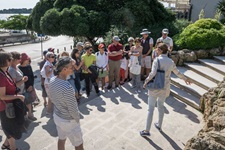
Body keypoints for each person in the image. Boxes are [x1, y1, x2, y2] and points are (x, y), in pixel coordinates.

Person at [140, 43, 191, 136]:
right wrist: (185, 79)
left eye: (157, 49)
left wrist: (146, 81)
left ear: (160, 50)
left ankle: (147, 130)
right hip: (165, 87)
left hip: (155, 87)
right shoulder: (171, 62)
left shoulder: (157, 60)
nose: (155, 50)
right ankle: (159, 125)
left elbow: (152, 74)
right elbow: (177, 73)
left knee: (150, 109)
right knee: (161, 106)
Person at [49, 57, 84, 150]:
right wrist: (77, 119)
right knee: (79, 145)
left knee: (61, 139)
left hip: (57, 117)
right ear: (64, 69)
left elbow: (51, 98)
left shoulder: (52, 80)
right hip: (69, 121)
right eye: (71, 67)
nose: (73, 68)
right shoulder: (67, 87)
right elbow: (73, 108)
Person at [0, 52, 26, 150]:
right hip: (5, 107)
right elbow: (2, 96)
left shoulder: (5, 72)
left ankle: (6, 145)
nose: (12, 61)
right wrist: (18, 96)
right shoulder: (1, 76)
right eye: (9, 59)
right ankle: (13, 148)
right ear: (4, 61)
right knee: (10, 129)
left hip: (10, 105)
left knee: (12, 127)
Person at [18, 53, 37, 121]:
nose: (28, 60)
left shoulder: (29, 66)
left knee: (30, 101)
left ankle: (30, 114)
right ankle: (28, 115)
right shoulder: (19, 68)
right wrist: (27, 86)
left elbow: (31, 76)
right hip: (24, 88)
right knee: (26, 102)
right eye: (26, 59)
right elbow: (21, 79)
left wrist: (31, 85)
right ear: (23, 60)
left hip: (30, 87)